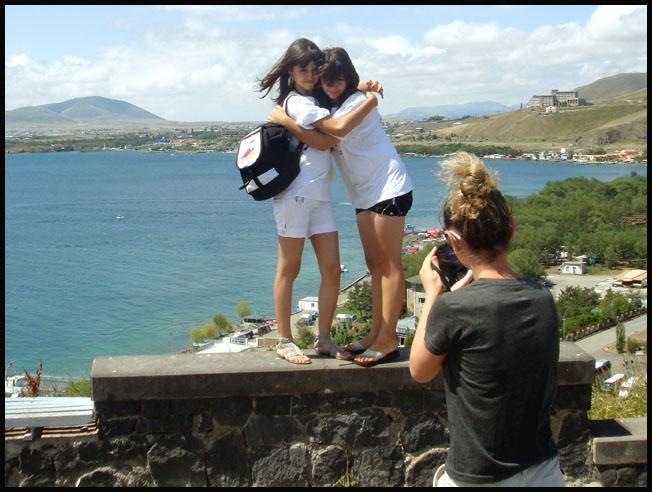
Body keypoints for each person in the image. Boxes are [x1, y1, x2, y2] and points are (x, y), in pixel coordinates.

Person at [408, 151, 565, 486]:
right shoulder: (543, 298)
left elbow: (419, 370)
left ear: (454, 241)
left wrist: (435, 293)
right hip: (544, 469)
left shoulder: (455, 308)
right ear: (511, 228)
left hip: (479, 476)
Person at [269, 47, 413, 367]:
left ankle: (386, 340)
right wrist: (363, 92)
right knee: (375, 267)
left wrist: (369, 96)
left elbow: (334, 132)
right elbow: (333, 122)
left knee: (387, 267)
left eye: (338, 79)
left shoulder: (355, 103)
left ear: (349, 78)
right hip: (361, 196)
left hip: (388, 188)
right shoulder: (323, 103)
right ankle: (375, 335)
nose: (330, 84)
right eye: (326, 79)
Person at [258, 38, 380, 365]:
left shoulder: (315, 98)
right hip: (294, 197)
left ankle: (323, 337)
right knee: (290, 268)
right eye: (305, 70)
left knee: (332, 270)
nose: (311, 76)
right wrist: (286, 121)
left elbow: (340, 89)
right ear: (290, 71)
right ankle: (284, 339)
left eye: (315, 70)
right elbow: (323, 141)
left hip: (320, 197)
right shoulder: (296, 103)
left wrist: (362, 84)